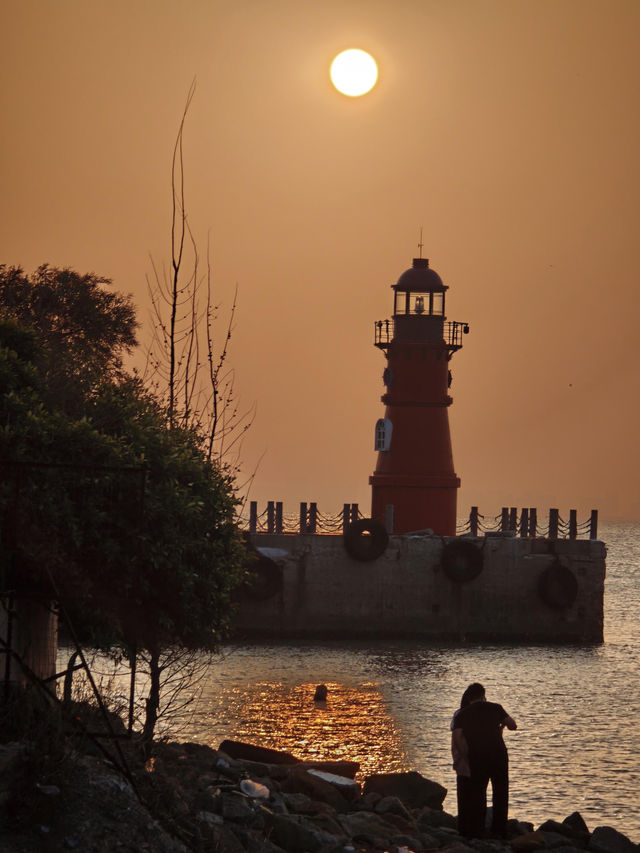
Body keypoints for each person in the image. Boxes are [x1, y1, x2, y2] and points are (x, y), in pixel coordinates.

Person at [451, 682, 517, 839]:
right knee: (501, 792)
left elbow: (458, 737)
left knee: (478, 793)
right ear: (483, 695)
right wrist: (501, 726)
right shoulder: (496, 707)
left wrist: (465, 756)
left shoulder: (462, 714)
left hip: (477, 757)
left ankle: (478, 830)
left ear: (469, 697)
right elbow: (513, 725)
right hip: (499, 755)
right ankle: (499, 829)